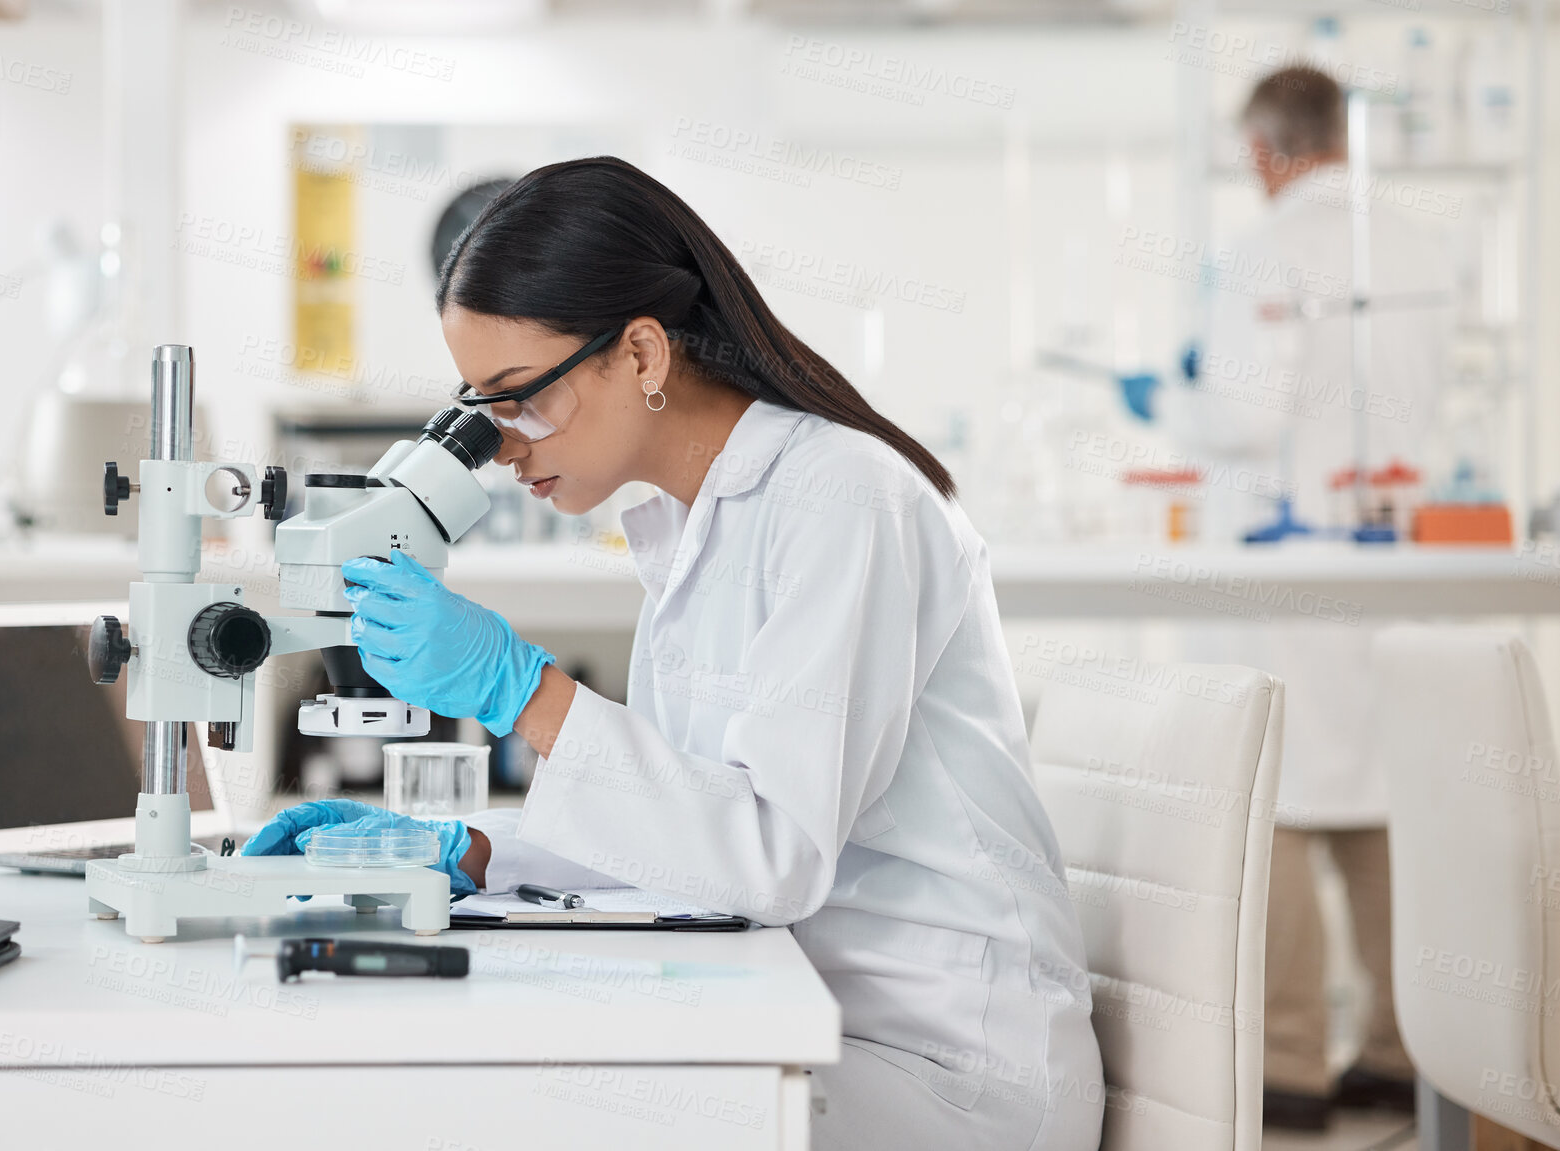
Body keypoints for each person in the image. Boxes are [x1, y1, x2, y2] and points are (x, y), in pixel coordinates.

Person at [243, 156, 1105, 1151]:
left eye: (518, 396)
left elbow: (771, 856)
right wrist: (464, 851)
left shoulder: (846, 498)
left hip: (944, 1063)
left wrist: (523, 692)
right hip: (795, 1004)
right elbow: (688, 835)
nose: (503, 443)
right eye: (477, 406)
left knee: (520, 1109)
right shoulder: (688, 526)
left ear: (642, 354)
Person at [1117, 67, 1452, 1130]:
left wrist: (1173, 393)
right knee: (1384, 794)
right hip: (1392, 542)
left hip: (1289, 557)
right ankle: (1407, 1048)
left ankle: (1296, 1061)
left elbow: (1247, 414)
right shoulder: (1413, 236)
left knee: (1285, 795)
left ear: (1264, 151)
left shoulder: (1264, 244)